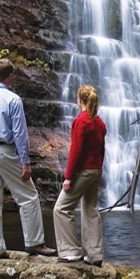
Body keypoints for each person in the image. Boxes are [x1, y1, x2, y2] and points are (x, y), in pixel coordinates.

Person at [0, 58, 56, 259]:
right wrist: (25, 162)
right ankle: (35, 243)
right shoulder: (13, 100)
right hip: (5, 151)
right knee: (28, 196)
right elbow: (19, 133)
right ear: (10, 77)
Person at [53, 84, 107, 266]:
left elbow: (76, 151)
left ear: (80, 101)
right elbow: (102, 150)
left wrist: (68, 177)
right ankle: (95, 254)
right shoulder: (99, 123)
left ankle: (70, 251)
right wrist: (99, 169)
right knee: (90, 208)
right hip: (96, 170)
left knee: (61, 208)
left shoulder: (81, 121)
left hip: (83, 171)